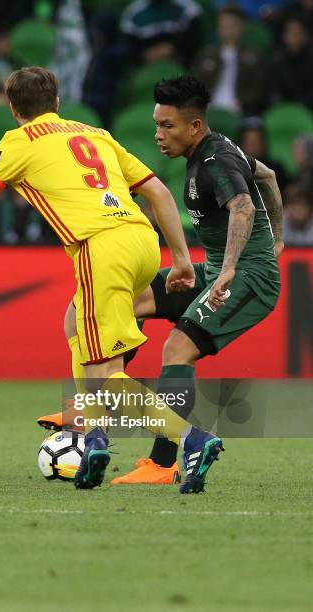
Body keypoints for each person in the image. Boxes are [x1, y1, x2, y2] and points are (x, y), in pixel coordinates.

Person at [0, 67, 223, 494]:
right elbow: (158, 190)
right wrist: (180, 259)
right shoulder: (96, 134)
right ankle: (95, 437)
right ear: (58, 103)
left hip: (99, 249)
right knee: (74, 324)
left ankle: (192, 438)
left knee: (104, 371)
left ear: (13, 109)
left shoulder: (16, 143)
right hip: (143, 241)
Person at [38, 75, 283, 486]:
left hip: (247, 277)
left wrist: (231, 267)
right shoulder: (219, 149)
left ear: (195, 127)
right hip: (218, 268)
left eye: (167, 126)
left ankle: (164, 462)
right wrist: (278, 238)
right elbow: (269, 177)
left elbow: (242, 206)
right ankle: (98, 403)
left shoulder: (214, 161)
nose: (158, 135)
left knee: (177, 349)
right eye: (156, 124)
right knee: (104, 306)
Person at [191, 5, 265, 114]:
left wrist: (243, 104)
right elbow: (194, 85)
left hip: (240, 110)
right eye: (223, 25)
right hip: (209, 110)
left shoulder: (254, 56)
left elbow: (259, 89)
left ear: (241, 27)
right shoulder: (206, 54)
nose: (227, 29)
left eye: (231, 25)